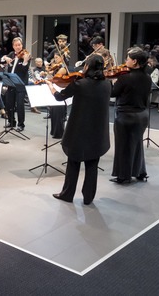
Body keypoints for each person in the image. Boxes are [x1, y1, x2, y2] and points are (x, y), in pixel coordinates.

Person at [45, 54, 111, 205]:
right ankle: (88, 197)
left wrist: (51, 87)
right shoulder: (107, 85)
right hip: (98, 132)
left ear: (87, 67)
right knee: (92, 164)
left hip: (79, 130)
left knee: (73, 162)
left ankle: (67, 194)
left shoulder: (80, 84)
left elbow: (60, 97)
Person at [110, 47, 151, 183]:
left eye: (127, 58)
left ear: (134, 61)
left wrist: (113, 81)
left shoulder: (125, 78)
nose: (125, 61)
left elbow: (112, 93)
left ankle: (123, 176)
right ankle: (140, 172)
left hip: (126, 116)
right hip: (142, 115)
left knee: (123, 146)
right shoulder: (147, 77)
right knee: (137, 143)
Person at [1, 37, 31, 131]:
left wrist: (25, 61)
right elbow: (0, 61)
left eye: (19, 45)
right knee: (9, 103)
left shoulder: (26, 55)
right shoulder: (11, 54)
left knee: (20, 105)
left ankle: (21, 124)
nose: (18, 47)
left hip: (20, 84)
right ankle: (11, 122)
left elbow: (23, 70)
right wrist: (5, 58)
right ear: (13, 46)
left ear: (22, 45)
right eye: (16, 45)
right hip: (11, 83)